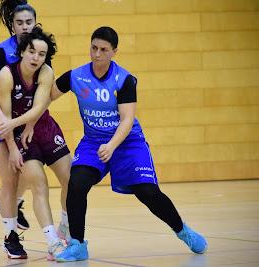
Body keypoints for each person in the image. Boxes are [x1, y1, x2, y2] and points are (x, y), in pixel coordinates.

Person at [50, 26, 208, 262]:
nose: (97, 54)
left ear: (114, 51)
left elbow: (127, 119)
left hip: (127, 141)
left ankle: (182, 230)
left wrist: (112, 146)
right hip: (94, 141)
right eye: (94, 47)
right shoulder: (76, 76)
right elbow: (48, 95)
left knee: (148, 193)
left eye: (103, 49)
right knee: (77, 184)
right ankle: (78, 244)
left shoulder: (124, 80)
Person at [0, 0, 70, 259]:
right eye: (19, 23)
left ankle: (13, 205)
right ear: (12, 25)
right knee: (11, 175)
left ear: (35, 23)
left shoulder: (40, 49)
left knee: (25, 175)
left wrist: (28, 123)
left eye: (28, 22)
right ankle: (11, 236)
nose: (24, 26)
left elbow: (40, 98)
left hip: (24, 119)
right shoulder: (2, 52)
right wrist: (3, 122)